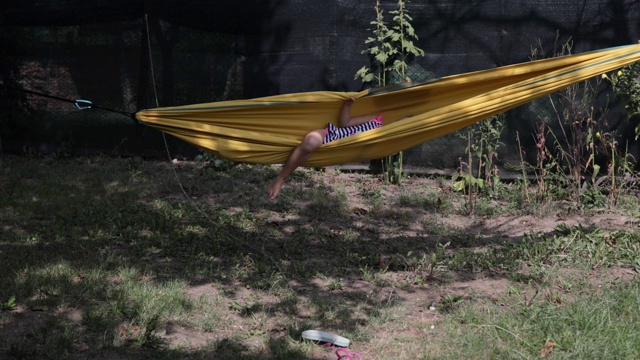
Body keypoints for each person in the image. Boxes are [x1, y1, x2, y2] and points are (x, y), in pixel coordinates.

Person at [267, 97, 383, 199]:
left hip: (340, 150)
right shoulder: (374, 120)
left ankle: (281, 178)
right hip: (333, 135)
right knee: (311, 141)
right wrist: (347, 105)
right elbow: (345, 123)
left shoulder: (391, 135)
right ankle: (281, 178)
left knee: (310, 144)